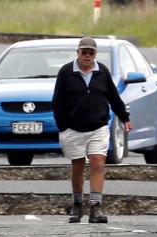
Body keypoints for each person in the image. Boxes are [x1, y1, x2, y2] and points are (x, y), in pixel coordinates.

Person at [51, 37, 132, 224]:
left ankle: (95, 207)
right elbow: (57, 102)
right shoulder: (66, 72)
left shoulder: (102, 71)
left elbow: (113, 96)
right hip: (72, 128)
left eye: (91, 53)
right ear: (77, 53)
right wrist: (62, 126)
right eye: (84, 52)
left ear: (95, 54)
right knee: (78, 167)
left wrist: (125, 118)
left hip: (98, 127)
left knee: (98, 163)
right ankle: (77, 205)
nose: (87, 56)